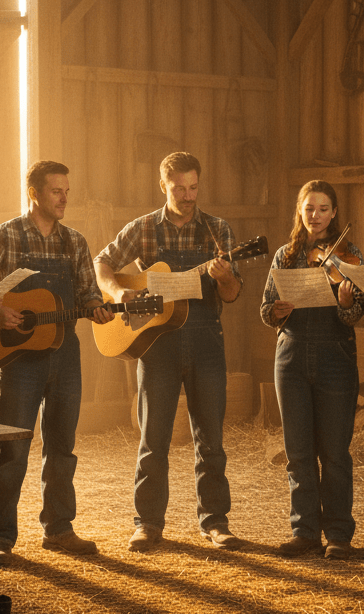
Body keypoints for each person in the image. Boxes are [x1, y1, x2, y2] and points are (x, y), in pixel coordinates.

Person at [0, 160, 113, 566]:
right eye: (56, 191)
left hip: (65, 355)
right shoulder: (6, 235)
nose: (64, 198)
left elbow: (87, 291)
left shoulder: (74, 242)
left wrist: (97, 307)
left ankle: (59, 528)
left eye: (66, 190)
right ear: (35, 194)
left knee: (62, 446)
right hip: (20, 361)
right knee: (13, 451)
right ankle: (0, 538)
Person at [95, 151, 243, 553]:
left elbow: (231, 295)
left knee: (210, 439)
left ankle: (215, 522)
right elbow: (102, 262)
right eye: (180, 188)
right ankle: (148, 523)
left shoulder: (218, 231)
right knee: (153, 439)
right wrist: (119, 291)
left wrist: (226, 276)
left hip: (206, 342)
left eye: (194, 187)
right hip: (157, 346)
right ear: (163, 186)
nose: (188, 195)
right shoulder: (142, 228)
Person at [260, 180, 364, 559]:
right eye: (309, 209)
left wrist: (346, 301)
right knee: (298, 452)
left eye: (323, 209)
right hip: (290, 355)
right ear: (299, 211)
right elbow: (265, 310)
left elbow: (355, 315)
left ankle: (338, 534)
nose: (316, 216)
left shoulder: (349, 254)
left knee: (335, 453)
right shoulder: (285, 256)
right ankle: (304, 531)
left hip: (335, 357)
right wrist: (278, 310)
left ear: (334, 213)